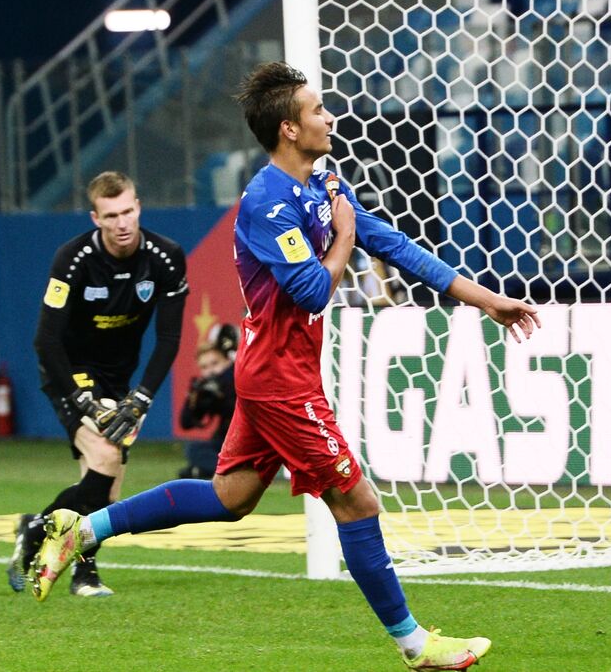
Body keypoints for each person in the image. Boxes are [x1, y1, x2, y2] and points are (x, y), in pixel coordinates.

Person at [29, 62, 541, 670]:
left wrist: (488, 301)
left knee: (231, 496)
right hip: (279, 381)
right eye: (317, 110)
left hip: (274, 372)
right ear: (289, 129)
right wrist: (343, 237)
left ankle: (83, 530)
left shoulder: (323, 184)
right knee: (358, 503)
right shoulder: (268, 203)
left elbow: (394, 245)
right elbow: (312, 292)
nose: (329, 117)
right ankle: (415, 646)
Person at [7, 171, 188, 597]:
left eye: (128, 211)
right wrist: (81, 400)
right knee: (106, 458)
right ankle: (43, 537)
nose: (122, 223)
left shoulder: (166, 257)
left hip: (118, 377)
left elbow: (169, 338)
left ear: (138, 206)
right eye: (111, 216)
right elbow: (45, 340)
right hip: (67, 370)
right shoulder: (72, 260)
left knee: (109, 479)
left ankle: (66, 555)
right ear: (96, 218)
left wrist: (141, 398)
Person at [178, 339, 236, 479]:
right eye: (204, 367)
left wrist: (222, 394)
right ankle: (228, 470)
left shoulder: (238, 378)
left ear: (227, 361)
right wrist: (197, 398)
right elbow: (186, 423)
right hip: (225, 443)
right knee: (195, 449)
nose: (210, 371)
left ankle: (209, 471)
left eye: (215, 363)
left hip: (248, 441)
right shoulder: (208, 386)